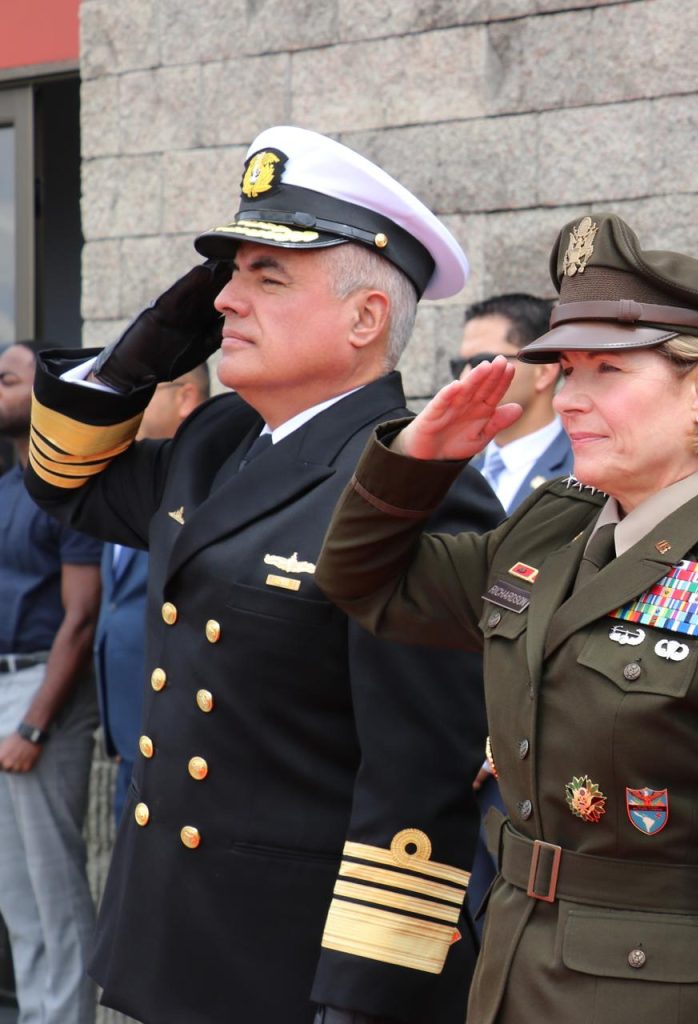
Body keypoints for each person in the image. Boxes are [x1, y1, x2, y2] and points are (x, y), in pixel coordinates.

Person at [314, 213, 698, 1023]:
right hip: (508, 969)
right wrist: (418, 461)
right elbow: (366, 584)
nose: (570, 398)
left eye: (606, 369)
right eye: (566, 370)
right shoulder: (551, 528)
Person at [24, 126, 503, 1024]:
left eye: (265, 278)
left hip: (284, 971)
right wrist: (137, 360)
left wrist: (365, 1003)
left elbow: (417, 781)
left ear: (365, 319)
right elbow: (63, 482)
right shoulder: (218, 443)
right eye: (226, 277)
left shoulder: (412, 484)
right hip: (169, 947)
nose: (225, 304)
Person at [451, 293, 571, 942]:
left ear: (546, 369)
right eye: (458, 363)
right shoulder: (448, 470)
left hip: (529, 767)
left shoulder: (589, 472)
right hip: (442, 755)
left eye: (488, 361)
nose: (469, 379)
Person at [0, 340, 103, 1024]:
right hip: (3, 683)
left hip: (43, 692)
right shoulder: (8, 485)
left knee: (54, 888)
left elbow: (82, 615)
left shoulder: (70, 487)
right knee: (15, 892)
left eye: (5, 378)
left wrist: (34, 722)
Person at [93, 363, 210, 820]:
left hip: (182, 743)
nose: (124, 404)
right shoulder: (130, 482)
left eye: (140, 391)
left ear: (185, 398)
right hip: (129, 734)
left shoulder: (206, 485)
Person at [454, 294, 570, 511]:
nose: (464, 377)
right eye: (460, 364)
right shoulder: (459, 475)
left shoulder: (584, 474)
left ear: (544, 371)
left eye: (483, 363)